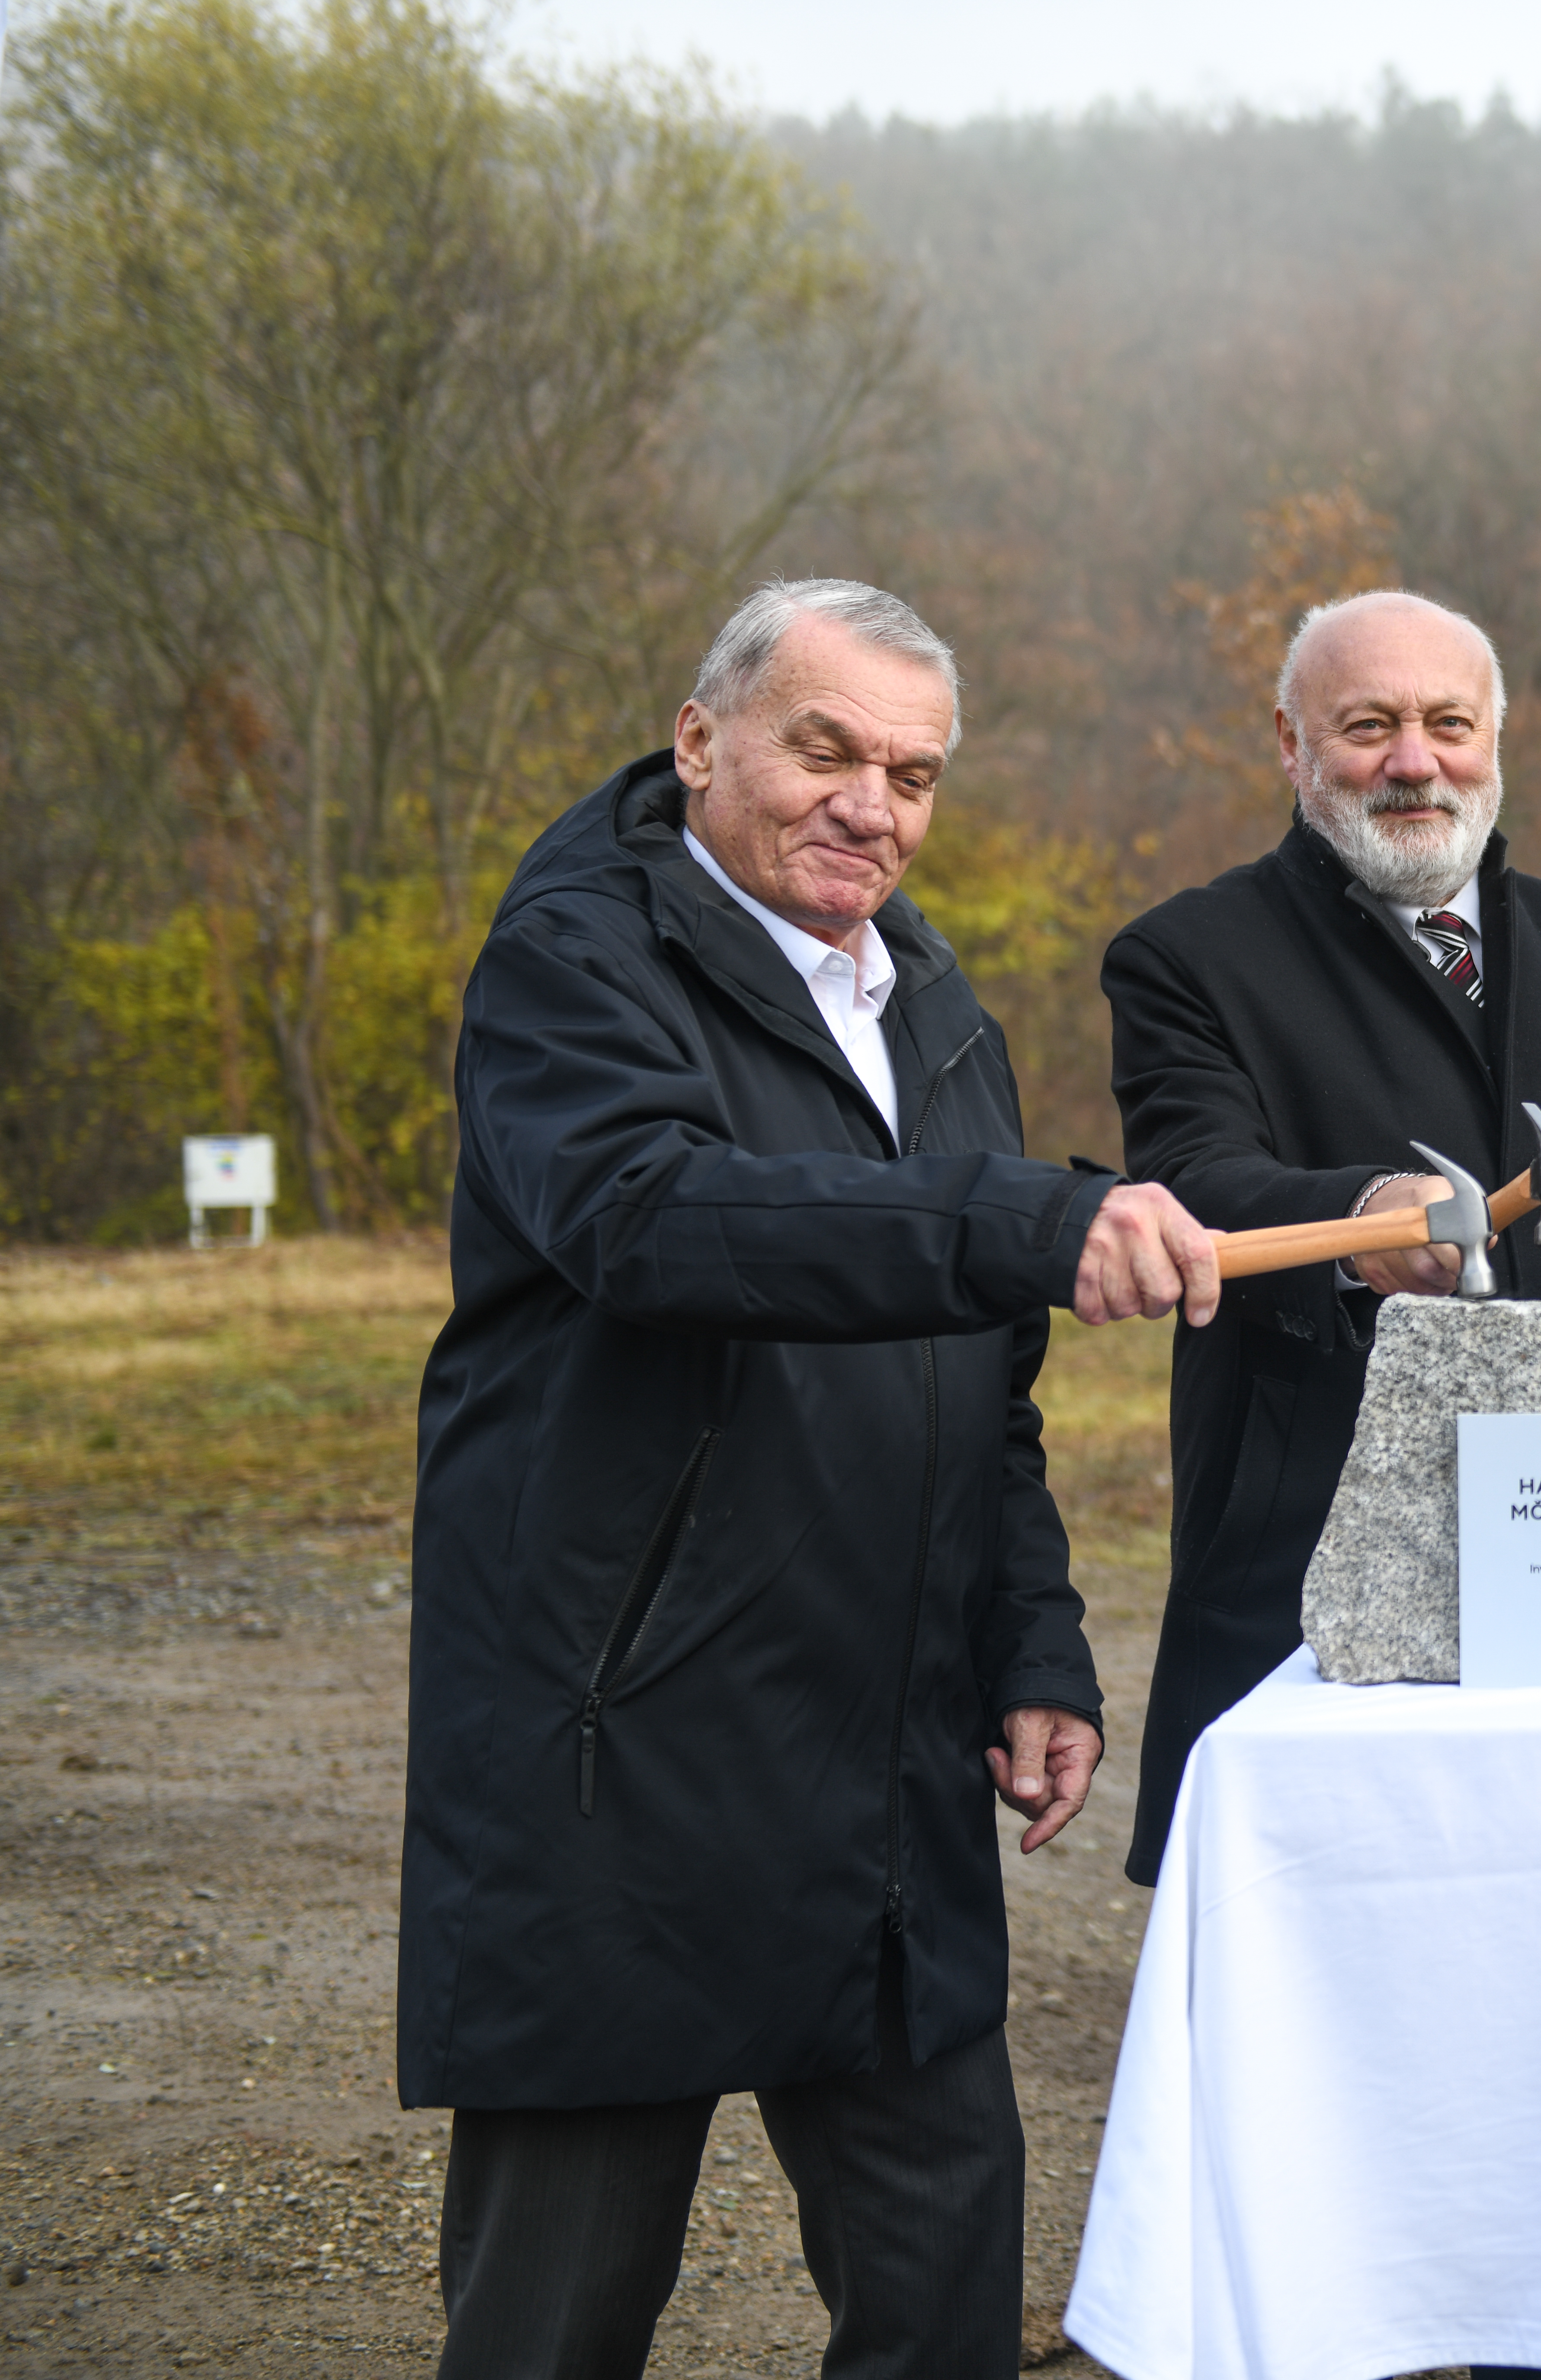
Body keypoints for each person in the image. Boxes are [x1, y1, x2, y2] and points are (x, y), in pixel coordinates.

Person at [404, 578, 1222, 2380]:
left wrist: (1030, 1644)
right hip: (625, 1748)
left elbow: (980, 1388)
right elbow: (652, 1218)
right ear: (700, 740)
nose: (872, 806)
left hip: (882, 1764)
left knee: (942, 2297)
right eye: (826, 750)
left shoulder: (926, 996)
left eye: (913, 775)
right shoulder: (572, 959)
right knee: (556, 2321)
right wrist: (1023, 1218)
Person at [1102, 591, 1541, 1837]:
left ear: (1497, 738)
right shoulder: (1186, 957)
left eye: (1449, 724)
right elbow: (1193, 1183)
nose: (1415, 762)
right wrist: (1366, 1218)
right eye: (1369, 726)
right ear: (1293, 744)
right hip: (1317, 1560)